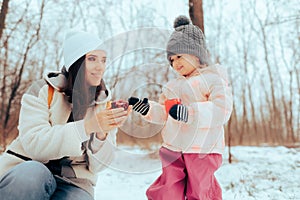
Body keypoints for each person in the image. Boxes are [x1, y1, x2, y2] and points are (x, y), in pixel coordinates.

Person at [0, 30, 131, 200]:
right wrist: (87, 126)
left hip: (74, 182)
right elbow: (35, 145)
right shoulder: (42, 90)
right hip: (29, 166)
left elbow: (99, 167)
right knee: (31, 175)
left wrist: (101, 133)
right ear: (75, 62)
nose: (100, 66)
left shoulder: (103, 103)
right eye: (92, 59)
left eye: (103, 60)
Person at [129, 16, 233, 200]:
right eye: (171, 60)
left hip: (202, 149)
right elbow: (165, 113)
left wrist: (190, 113)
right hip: (173, 147)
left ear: (196, 54)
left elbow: (221, 109)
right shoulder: (173, 86)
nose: (175, 63)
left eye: (179, 56)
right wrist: (148, 109)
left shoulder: (213, 79)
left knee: (200, 191)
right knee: (168, 190)